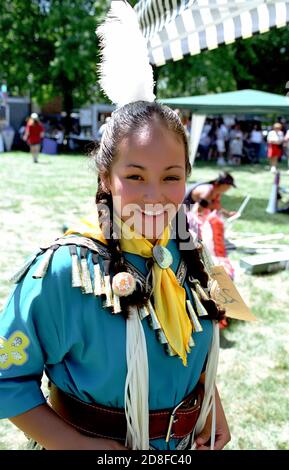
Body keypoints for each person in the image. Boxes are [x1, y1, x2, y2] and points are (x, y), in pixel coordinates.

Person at [0, 1, 230, 451]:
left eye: (171, 177)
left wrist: (210, 406)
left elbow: (189, 350)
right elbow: (7, 379)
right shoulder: (66, 272)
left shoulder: (188, 254)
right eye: (135, 176)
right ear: (106, 177)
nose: (154, 196)